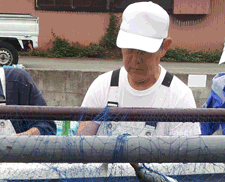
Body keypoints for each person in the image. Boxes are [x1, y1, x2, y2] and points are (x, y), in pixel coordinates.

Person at [77, 1, 200, 137]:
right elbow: (81, 144)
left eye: (144, 51)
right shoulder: (102, 86)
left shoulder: (179, 97)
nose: (136, 60)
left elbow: (184, 155)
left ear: (165, 47)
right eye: (130, 50)